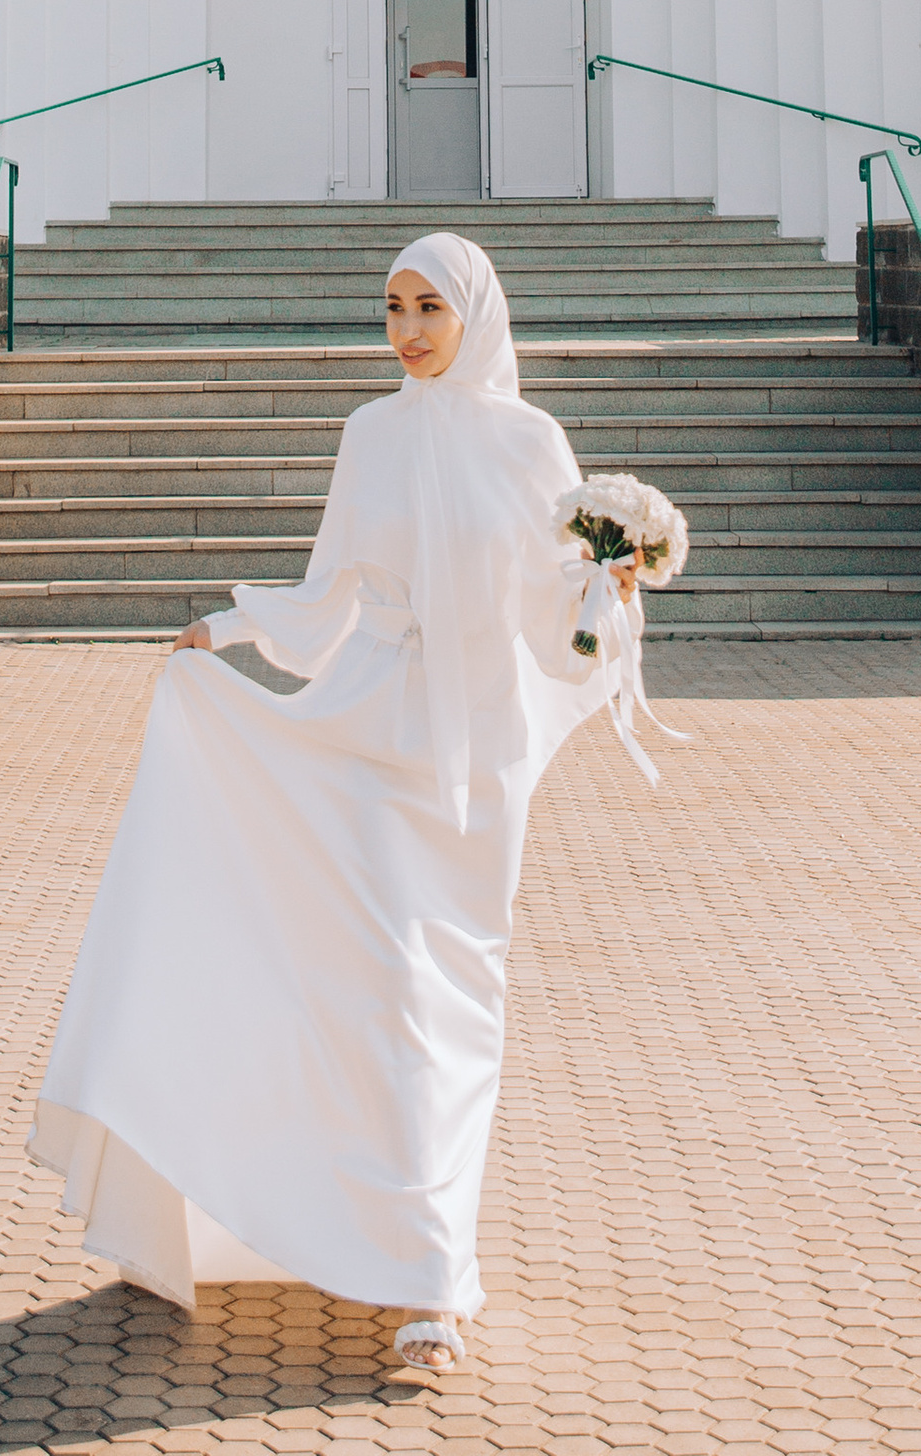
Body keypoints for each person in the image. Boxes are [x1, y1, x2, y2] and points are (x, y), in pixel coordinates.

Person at [31, 228, 648, 1378]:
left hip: (476, 769)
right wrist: (230, 631)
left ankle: (423, 1252)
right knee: (384, 995)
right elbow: (332, 592)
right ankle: (421, 1280)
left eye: (430, 308)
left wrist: (604, 589)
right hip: (372, 731)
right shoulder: (369, 434)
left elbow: (552, 621)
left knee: (453, 996)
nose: (408, 330)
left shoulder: (530, 443)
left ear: (476, 316)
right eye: (393, 308)